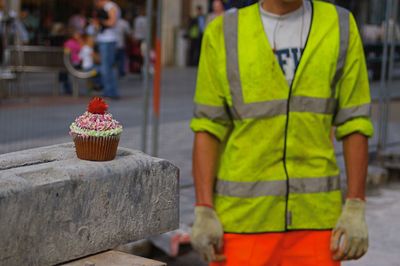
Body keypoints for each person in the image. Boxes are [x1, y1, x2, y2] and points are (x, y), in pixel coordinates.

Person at [190, 0, 374, 265]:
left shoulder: (340, 25)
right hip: (242, 222)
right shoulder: (224, 32)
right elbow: (207, 127)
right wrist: (204, 209)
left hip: (316, 223)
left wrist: (356, 205)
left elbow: (355, 121)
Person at [94, 0, 121, 99]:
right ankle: (108, 90)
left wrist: (100, 21)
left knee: (107, 67)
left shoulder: (110, 6)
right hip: (105, 40)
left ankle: (110, 91)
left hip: (108, 41)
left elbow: (112, 22)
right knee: (106, 67)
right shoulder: (107, 7)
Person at [61, 29, 82, 95]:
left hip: (70, 63)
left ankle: (67, 89)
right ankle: (67, 89)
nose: (79, 35)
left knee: (64, 71)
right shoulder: (74, 43)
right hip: (74, 62)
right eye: (77, 34)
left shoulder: (67, 43)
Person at [115, 12, 131, 78]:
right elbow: (128, 32)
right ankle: (121, 72)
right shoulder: (124, 23)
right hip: (120, 43)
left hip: (112, 44)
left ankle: (114, 72)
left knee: (114, 59)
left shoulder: (114, 22)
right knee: (121, 58)